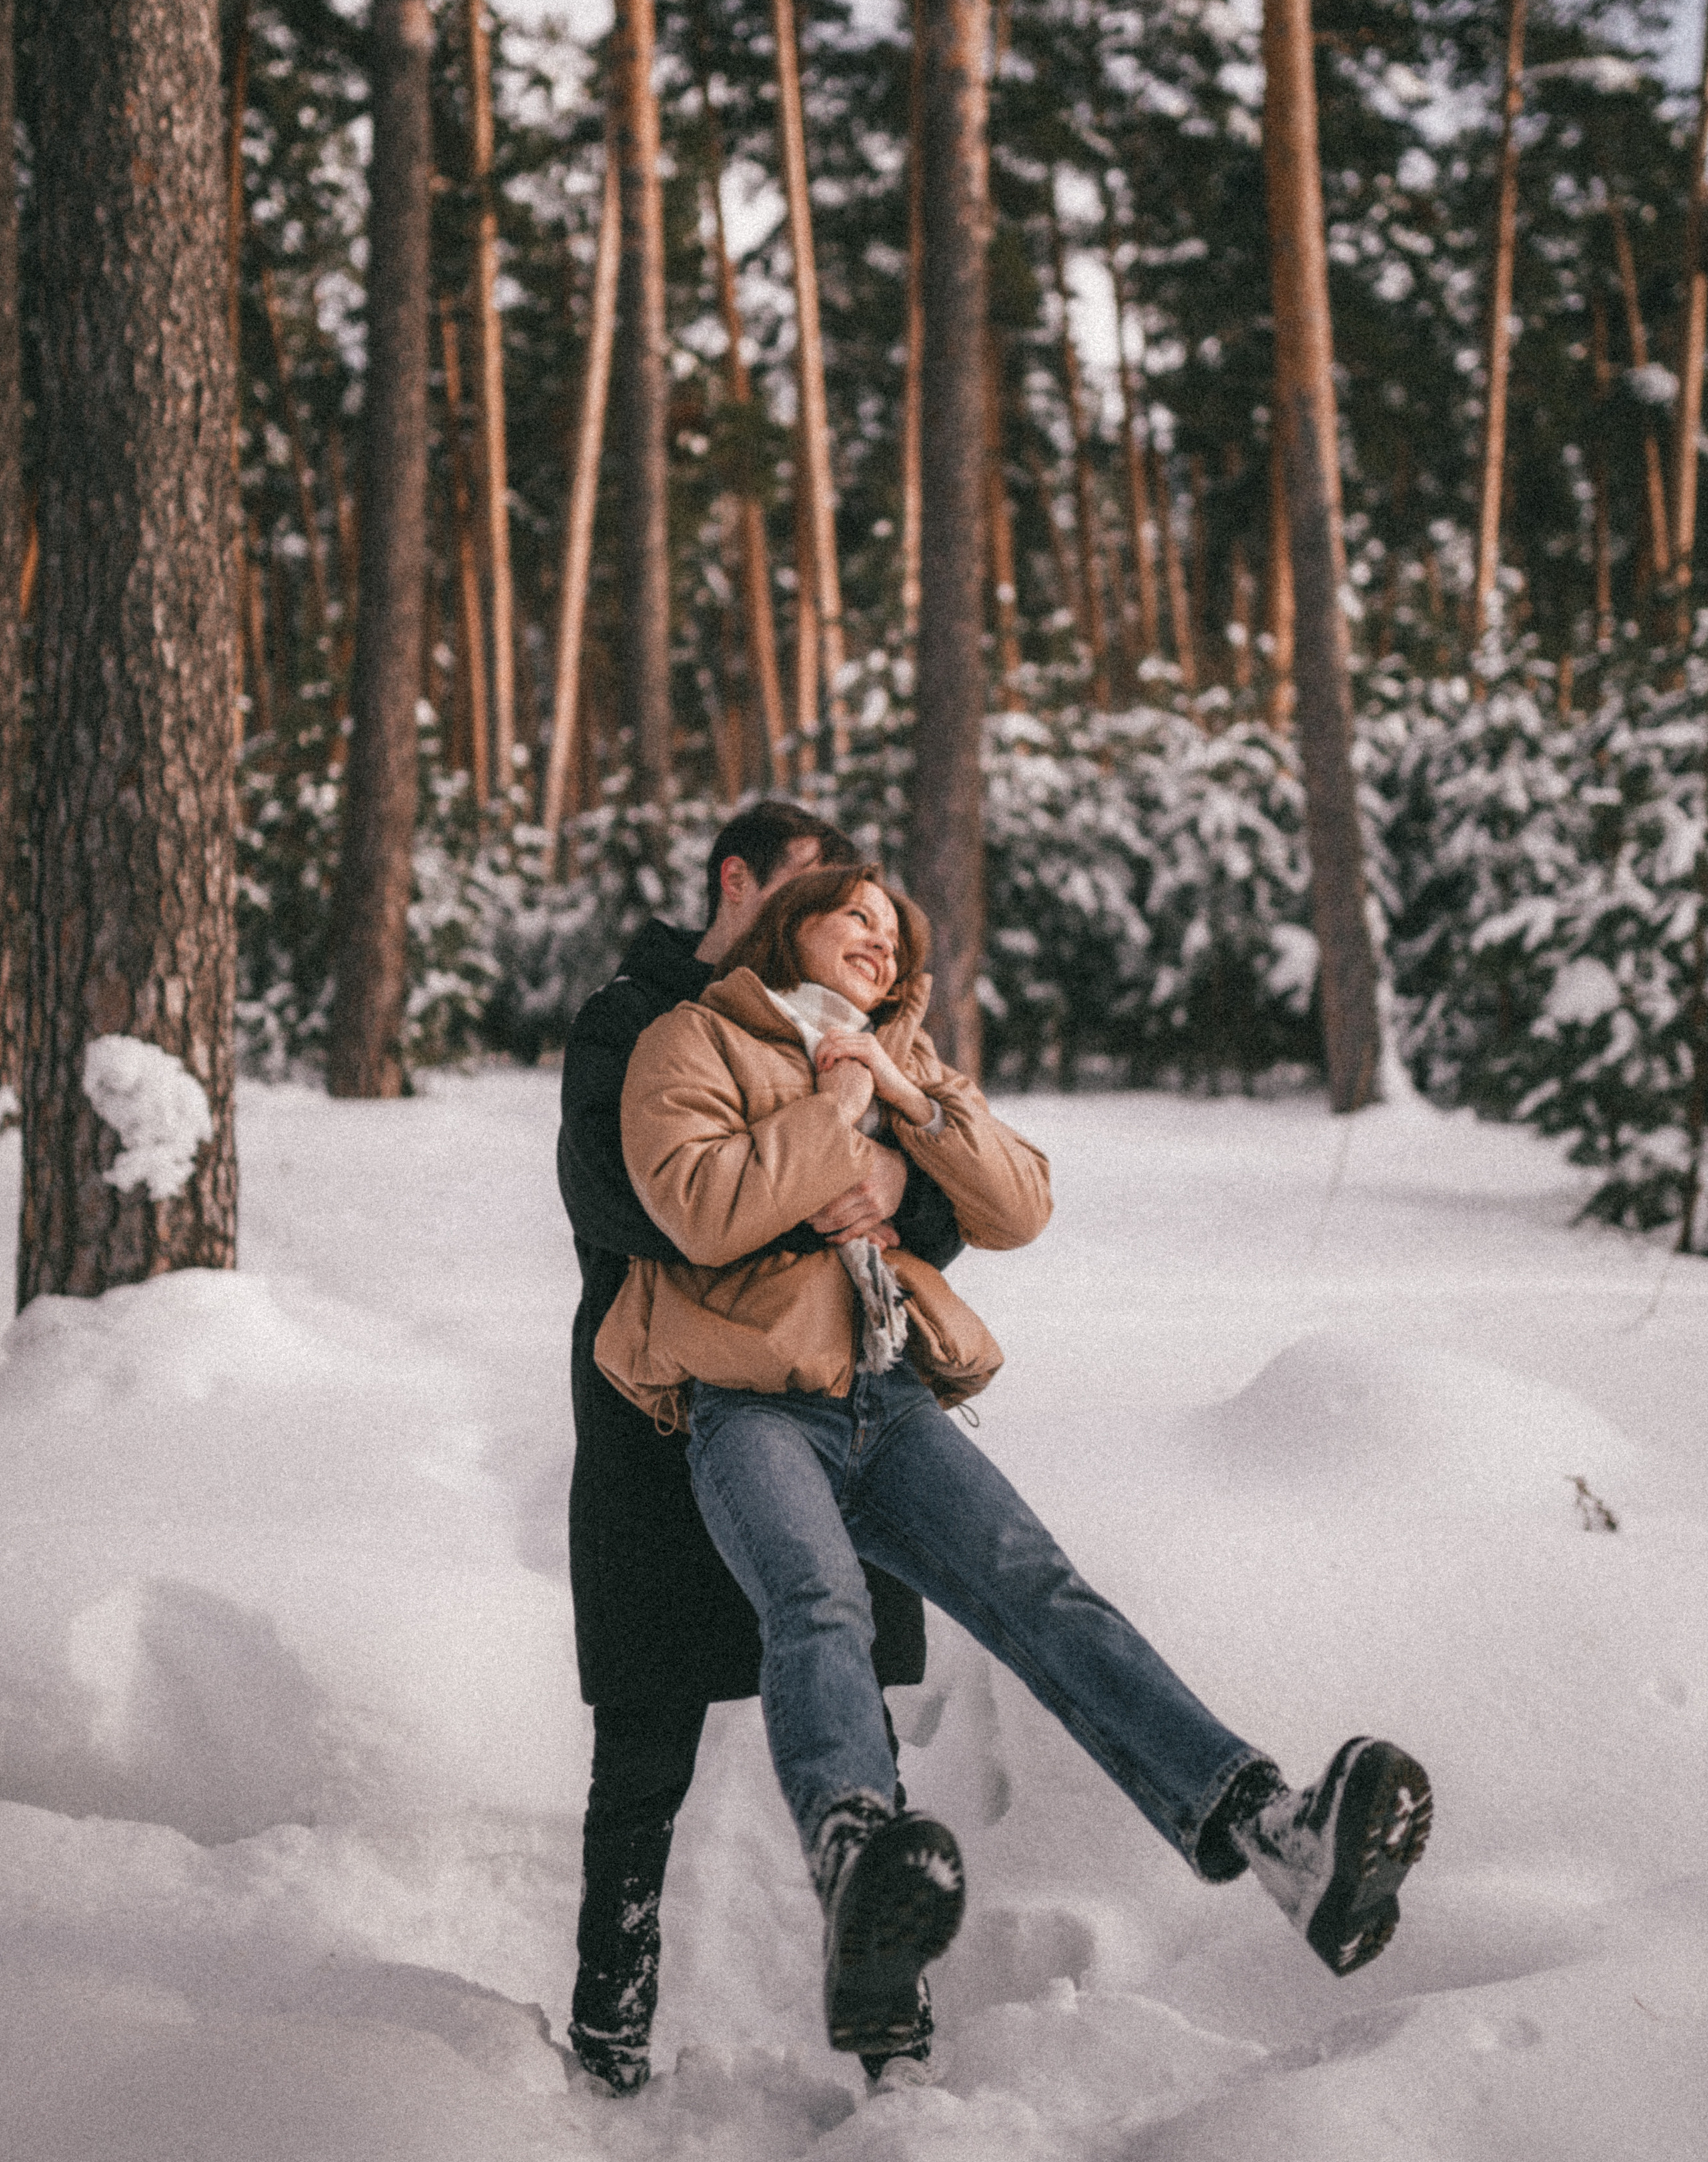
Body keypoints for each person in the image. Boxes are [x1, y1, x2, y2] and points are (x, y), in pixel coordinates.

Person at [598, 862, 1434, 2064]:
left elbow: (1021, 1204)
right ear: (790, 926)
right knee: (817, 1605)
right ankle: (855, 1860)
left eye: (896, 937)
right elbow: (698, 1209)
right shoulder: (694, 1039)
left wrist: (904, 1110)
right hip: (752, 1401)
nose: (882, 946)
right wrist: (838, 1118)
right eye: (856, 919)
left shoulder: (904, 1059)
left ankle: (1277, 1835)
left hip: (888, 1395)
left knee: (1045, 1594)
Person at [555, 802, 965, 2095]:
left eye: (847, 906)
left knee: (853, 1713)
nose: (829, 928)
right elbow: (625, 1201)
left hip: (827, 1398)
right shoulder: (632, 1021)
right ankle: (610, 2032)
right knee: (644, 1749)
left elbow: (940, 1209)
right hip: (656, 1415)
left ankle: (895, 2034)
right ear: (735, 883)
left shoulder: (844, 1027)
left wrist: (895, 1189)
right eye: (804, 896)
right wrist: (811, 1189)